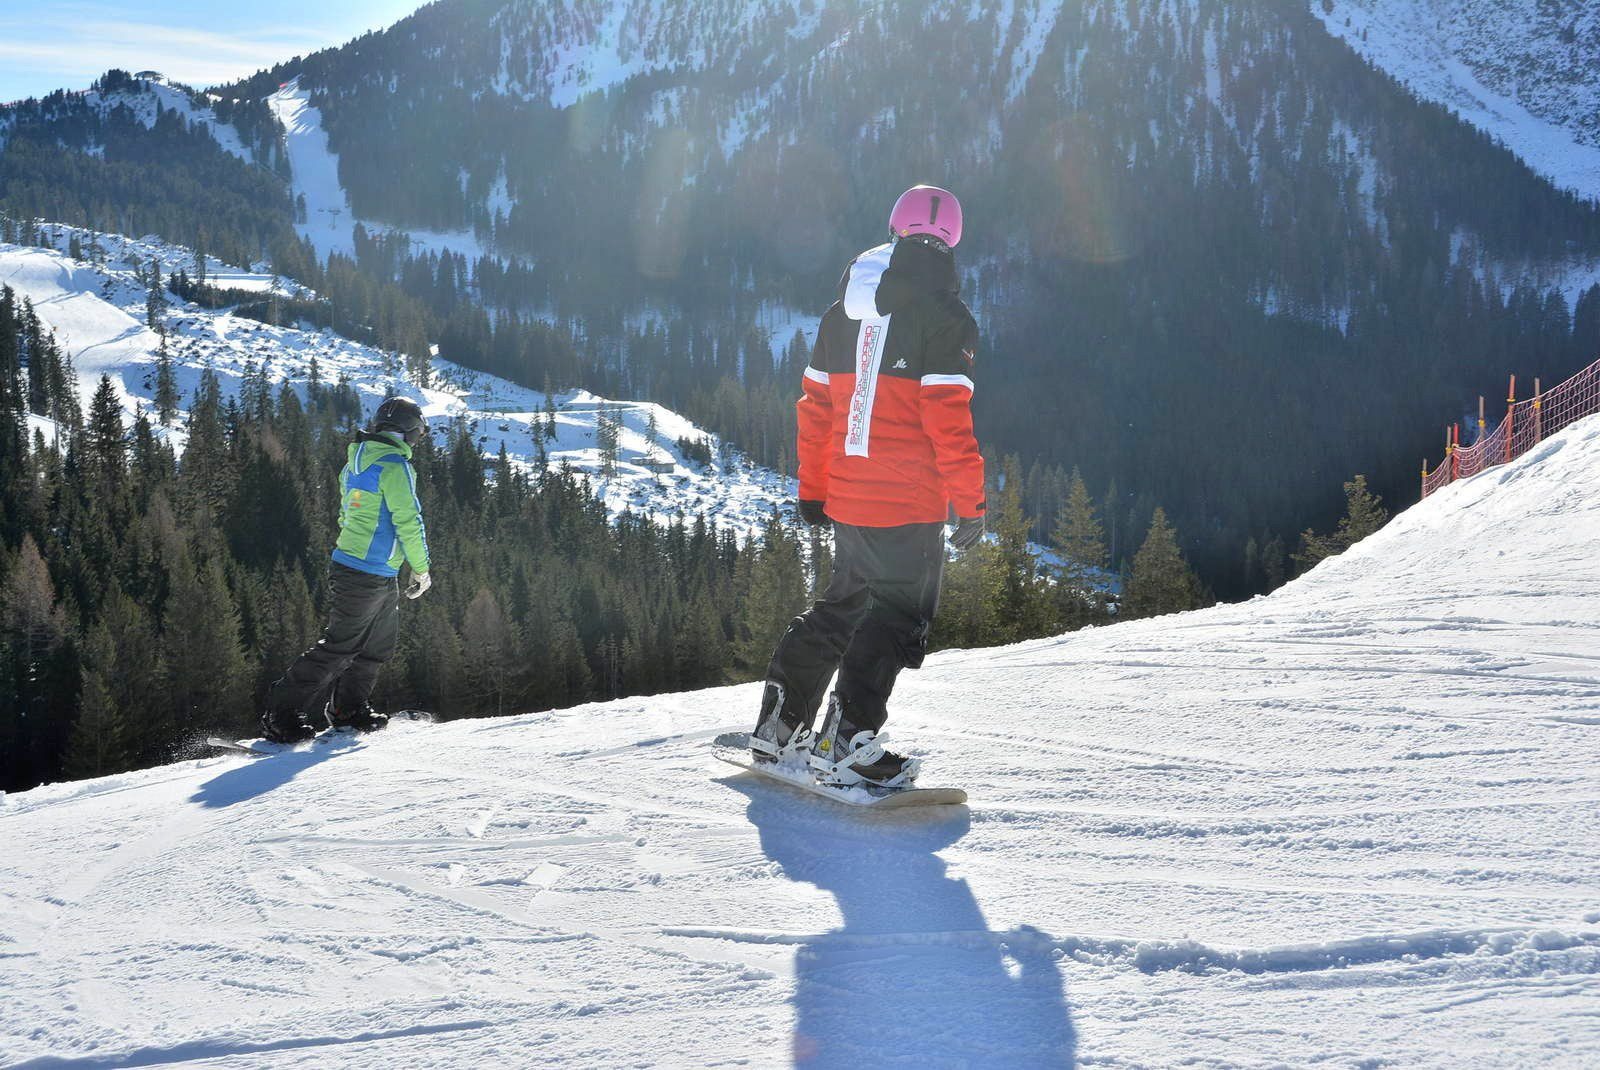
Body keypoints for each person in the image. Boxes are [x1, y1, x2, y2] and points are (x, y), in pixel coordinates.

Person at [751, 185, 986, 787]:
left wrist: (814, 488)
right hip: (908, 501)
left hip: (850, 496)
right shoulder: (947, 317)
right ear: (952, 241)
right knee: (897, 618)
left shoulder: (842, 313)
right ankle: (846, 744)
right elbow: (946, 418)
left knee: (841, 609)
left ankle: (779, 727)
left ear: (895, 231)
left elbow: (815, 407)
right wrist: (970, 501)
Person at [260, 397, 433, 743]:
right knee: (340, 646)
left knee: (376, 646)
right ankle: (280, 713)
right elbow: (408, 521)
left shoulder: (354, 463)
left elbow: (346, 514)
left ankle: (348, 710)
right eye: (421, 433)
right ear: (411, 431)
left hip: (373, 570)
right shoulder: (395, 466)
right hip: (365, 573)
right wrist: (421, 568)